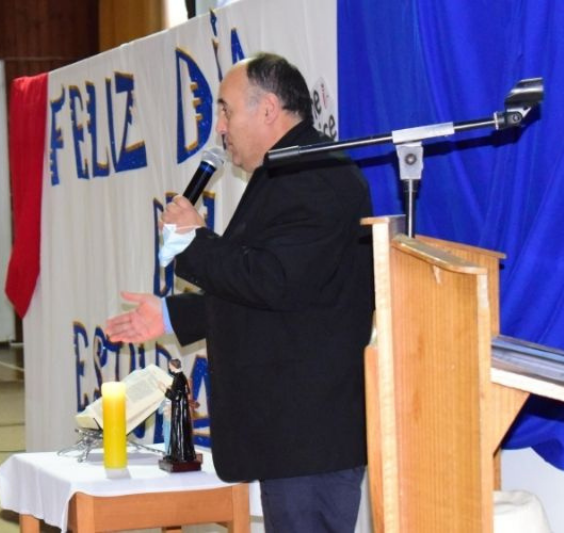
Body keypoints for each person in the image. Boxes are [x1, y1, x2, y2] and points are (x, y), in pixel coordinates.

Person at [106, 52, 374, 532]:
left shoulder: (316, 177)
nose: (220, 128)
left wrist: (195, 240)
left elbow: (275, 282)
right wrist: (171, 316)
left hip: (308, 435)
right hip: (292, 435)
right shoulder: (283, 174)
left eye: (227, 110)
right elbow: (268, 292)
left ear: (268, 108)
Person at [163, 359, 197, 463]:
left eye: (170, 366)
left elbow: (176, 396)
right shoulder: (181, 377)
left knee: (179, 432)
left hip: (179, 411)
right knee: (180, 432)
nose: (169, 368)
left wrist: (165, 389)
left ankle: (180, 455)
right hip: (181, 409)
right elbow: (186, 391)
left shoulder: (179, 378)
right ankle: (179, 454)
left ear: (173, 366)